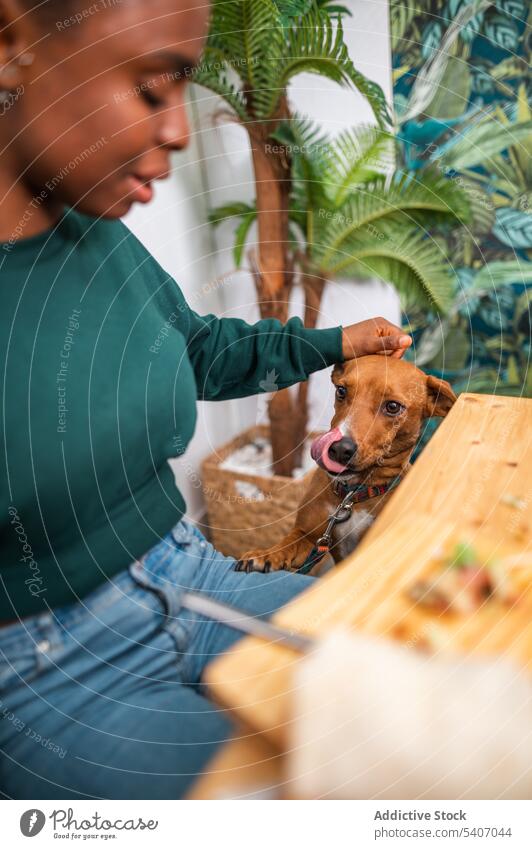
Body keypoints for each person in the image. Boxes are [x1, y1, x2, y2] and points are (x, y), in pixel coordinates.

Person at [0, 0, 412, 799]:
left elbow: (199, 350)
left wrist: (334, 343)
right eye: (154, 89)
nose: (182, 130)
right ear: (12, 42)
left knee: (410, 682)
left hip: (190, 570)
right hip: (48, 666)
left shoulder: (100, 237)